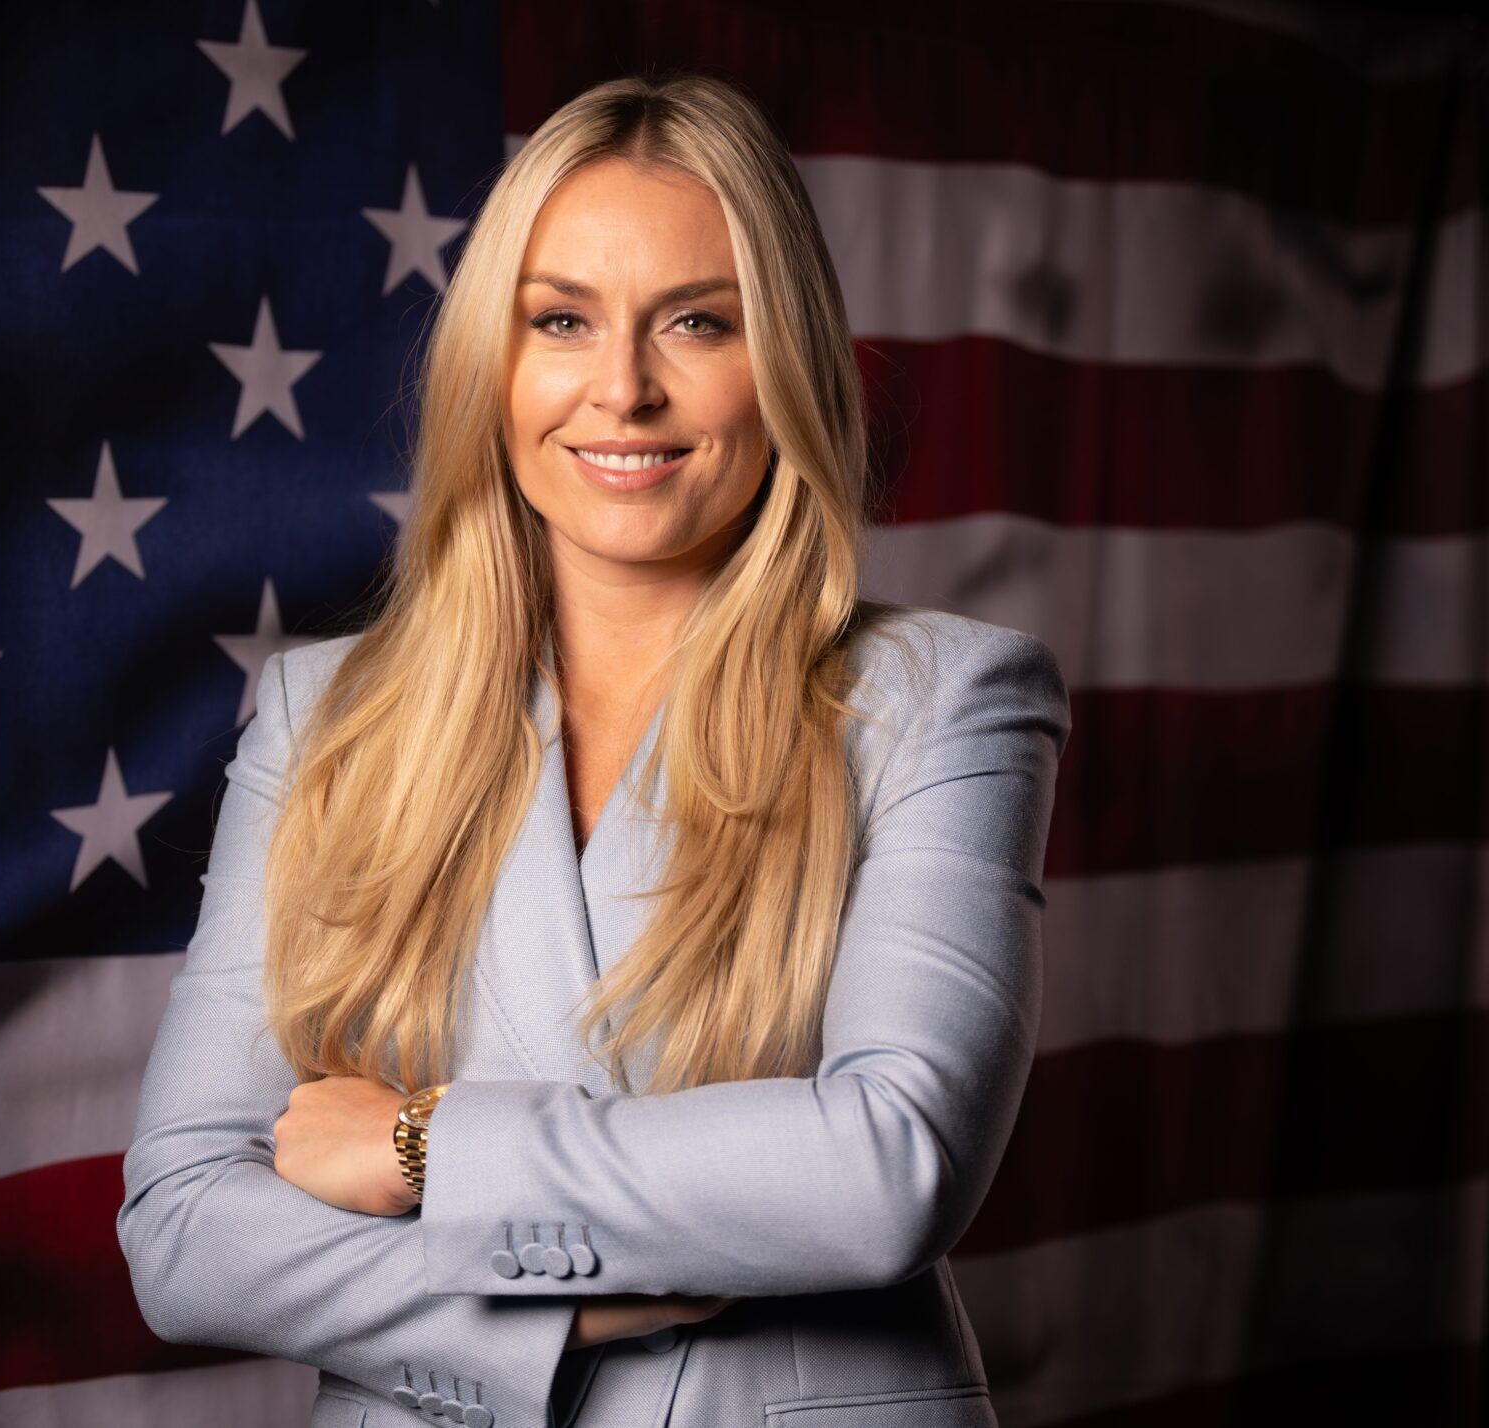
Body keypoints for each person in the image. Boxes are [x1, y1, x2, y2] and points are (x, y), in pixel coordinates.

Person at [117, 70, 1070, 1428]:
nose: (621, 389)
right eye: (560, 320)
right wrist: (570, 1310)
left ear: (785, 360)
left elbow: (889, 1168)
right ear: (492, 370)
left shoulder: (944, 698)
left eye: (697, 322)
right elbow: (185, 1231)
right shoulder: (325, 715)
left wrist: (423, 1146)